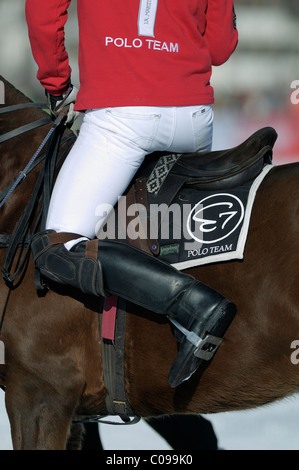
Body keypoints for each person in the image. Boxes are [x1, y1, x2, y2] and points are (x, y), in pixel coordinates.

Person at [25, 0, 238, 388]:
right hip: (194, 117)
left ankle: (194, 307)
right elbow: (221, 47)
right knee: (171, 239)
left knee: (58, 246)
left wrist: (57, 83)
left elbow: (42, 12)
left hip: (123, 115)